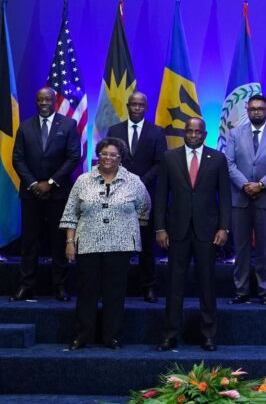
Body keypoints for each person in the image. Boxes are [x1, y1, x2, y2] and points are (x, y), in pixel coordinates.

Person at [59, 137, 151, 350]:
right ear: (97, 156)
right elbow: (71, 212)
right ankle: (82, 336)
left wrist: (125, 226)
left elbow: (144, 208)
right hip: (88, 243)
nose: (108, 158)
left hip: (120, 245)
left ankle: (112, 337)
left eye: (113, 155)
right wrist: (70, 242)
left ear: (121, 158)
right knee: (87, 292)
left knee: (115, 293)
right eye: (104, 154)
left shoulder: (134, 181)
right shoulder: (83, 180)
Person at [154, 117, 231, 352]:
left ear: (204, 134)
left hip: (207, 231)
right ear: (184, 133)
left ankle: (208, 335)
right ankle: (170, 335)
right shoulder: (170, 157)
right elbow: (160, 196)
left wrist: (224, 227)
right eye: (190, 131)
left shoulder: (217, 158)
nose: (194, 135)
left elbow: (225, 197)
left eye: (198, 132)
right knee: (174, 285)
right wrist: (160, 228)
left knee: (207, 285)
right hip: (177, 230)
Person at [11, 87, 82, 302]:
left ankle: (59, 286)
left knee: (58, 241)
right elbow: (17, 159)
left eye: (47, 99)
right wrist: (34, 184)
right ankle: (26, 286)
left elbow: (73, 157)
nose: (43, 102)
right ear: (36, 101)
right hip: (31, 193)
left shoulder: (68, 124)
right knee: (29, 243)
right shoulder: (25, 126)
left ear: (54, 101)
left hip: (58, 194)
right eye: (40, 99)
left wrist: (50, 183)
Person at [224, 94, 266, 306]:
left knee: (265, 247)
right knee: (240, 247)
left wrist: (260, 185)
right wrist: (246, 185)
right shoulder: (234, 133)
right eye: (252, 109)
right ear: (247, 111)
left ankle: (264, 290)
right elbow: (229, 163)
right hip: (240, 197)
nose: (256, 112)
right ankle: (241, 290)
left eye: (260, 108)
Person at [107, 91, 167, 303]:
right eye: (133, 104)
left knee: (146, 246)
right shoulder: (114, 130)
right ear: (128, 106)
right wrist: (125, 183)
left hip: (146, 196)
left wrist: (139, 183)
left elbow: (161, 163)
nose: (137, 108)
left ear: (146, 107)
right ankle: (115, 288)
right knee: (118, 245)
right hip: (118, 196)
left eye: (141, 105)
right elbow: (109, 161)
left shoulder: (157, 132)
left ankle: (148, 287)